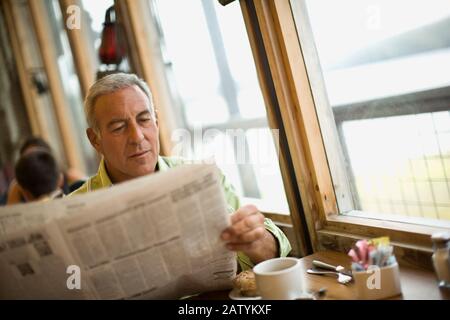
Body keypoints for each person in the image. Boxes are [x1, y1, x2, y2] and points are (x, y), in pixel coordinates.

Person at [70, 73, 291, 271]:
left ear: (156, 121)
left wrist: (255, 241)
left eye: (144, 120)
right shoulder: (71, 212)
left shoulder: (202, 177)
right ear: (95, 140)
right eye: (118, 128)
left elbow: (276, 250)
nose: (137, 137)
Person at [6, 136, 85, 204]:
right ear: (60, 180)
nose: (36, 167)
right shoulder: (16, 188)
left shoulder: (73, 179)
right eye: (29, 163)